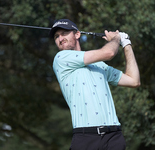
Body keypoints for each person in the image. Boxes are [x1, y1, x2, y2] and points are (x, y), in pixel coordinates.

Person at [49, 19, 140, 150]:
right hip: (86, 138)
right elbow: (109, 53)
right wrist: (116, 39)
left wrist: (126, 44)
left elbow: (134, 81)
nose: (60, 38)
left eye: (64, 33)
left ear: (77, 34)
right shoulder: (61, 58)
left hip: (114, 137)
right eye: (57, 36)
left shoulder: (99, 65)